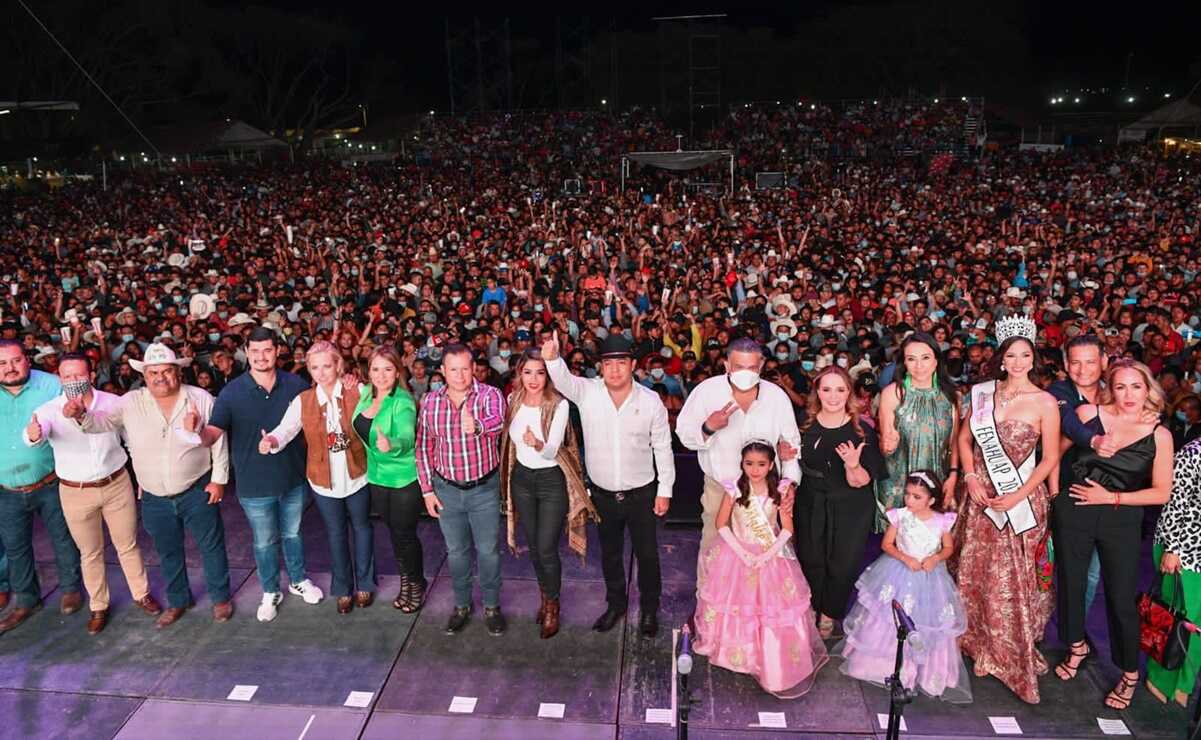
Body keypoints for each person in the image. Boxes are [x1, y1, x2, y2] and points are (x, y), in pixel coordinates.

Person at [68, 342, 232, 628]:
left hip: (196, 488)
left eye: (167, 371)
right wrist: (81, 415)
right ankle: (179, 601)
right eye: (153, 372)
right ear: (144, 376)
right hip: (154, 496)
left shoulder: (200, 398)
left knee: (211, 547)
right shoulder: (130, 402)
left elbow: (218, 439)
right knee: (168, 552)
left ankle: (220, 599)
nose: (160, 377)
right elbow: (101, 424)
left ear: (179, 372)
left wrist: (218, 480)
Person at [952, 317, 1061, 704]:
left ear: (1034, 359)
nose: (1017, 362)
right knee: (977, 570)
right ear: (1001, 359)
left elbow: (1048, 460)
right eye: (1011, 355)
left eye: (1025, 355)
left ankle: (1009, 651)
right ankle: (976, 640)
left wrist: (1019, 496)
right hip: (981, 496)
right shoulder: (982, 394)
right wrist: (969, 476)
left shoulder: (1045, 402)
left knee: (1013, 577)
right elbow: (965, 439)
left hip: (1020, 500)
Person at [1054, 360, 1173, 710]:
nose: (1128, 394)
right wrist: (1054, 497)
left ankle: (1129, 673)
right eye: (1120, 387)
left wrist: (1112, 498)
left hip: (1122, 517)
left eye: (1136, 386)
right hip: (1075, 510)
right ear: (1110, 389)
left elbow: (1161, 492)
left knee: (1121, 599)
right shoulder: (1089, 412)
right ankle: (1076, 646)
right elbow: (1059, 451)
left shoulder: (1159, 434)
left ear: (1148, 388)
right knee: (1071, 585)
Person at [543, 331, 675, 638]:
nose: (614, 369)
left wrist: (665, 490)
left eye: (621, 363)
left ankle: (649, 610)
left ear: (632, 365)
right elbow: (563, 380)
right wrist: (551, 357)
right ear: (601, 367)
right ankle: (616, 605)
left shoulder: (651, 400)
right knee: (610, 554)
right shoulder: (587, 392)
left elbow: (663, 448)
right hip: (601, 495)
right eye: (608, 363)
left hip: (642, 494)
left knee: (648, 555)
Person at [193, 326, 324, 622]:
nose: (261, 357)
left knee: (292, 534)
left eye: (267, 350)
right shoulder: (232, 391)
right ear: (246, 353)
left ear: (278, 350)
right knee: (264, 541)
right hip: (254, 484)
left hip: (292, 477)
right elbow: (213, 432)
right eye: (254, 351)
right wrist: (196, 433)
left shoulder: (296, 384)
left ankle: (298, 579)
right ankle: (269, 590)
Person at [24, 353, 162, 634]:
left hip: (115, 483)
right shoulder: (48, 410)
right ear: (60, 379)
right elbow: (36, 436)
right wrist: (34, 434)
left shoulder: (113, 403)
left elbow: (130, 441)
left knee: (128, 544)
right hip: (76, 491)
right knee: (90, 552)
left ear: (91, 375)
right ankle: (98, 605)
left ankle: (141, 594)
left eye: (78, 375)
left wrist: (143, 476)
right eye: (67, 376)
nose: (73, 381)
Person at [694, 441, 828, 698]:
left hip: (770, 555)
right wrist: (742, 552)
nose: (755, 470)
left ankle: (765, 655)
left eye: (761, 464)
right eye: (749, 464)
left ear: (770, 465)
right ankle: (739, 654)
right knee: (738, 605)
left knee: (769, 608)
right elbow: (722, 523)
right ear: (742, 464)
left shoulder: (779, 489)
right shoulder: (734, 488)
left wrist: (769, 553)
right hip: (736, 554)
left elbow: (787, 527)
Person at [835, 470, 971, 704]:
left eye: (917, 496)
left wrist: (936, 558)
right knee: (888, 618)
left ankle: (925, 671)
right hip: (899, 571)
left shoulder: (942, 521)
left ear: (931, 499)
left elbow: (948, 548)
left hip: (930, 577)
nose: (909, 500)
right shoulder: (900, 516)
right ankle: (884, 666)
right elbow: (887, 544)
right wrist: (905, 558)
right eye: (908, 494)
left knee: (928, 620)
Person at [676, 338, 801, 591]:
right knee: (713, 546)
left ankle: (752, 611)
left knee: (763, 553)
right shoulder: (706, 392)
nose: (745, 373)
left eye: (752, 367)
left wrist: (790, 485)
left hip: (764, 492)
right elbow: (684, 435)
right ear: (726, 364)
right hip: (720, 487)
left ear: (761, 366)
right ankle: (709, 605)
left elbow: (791, 447)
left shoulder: (776, 397)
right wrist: (708, 427)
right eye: (738, 366)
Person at [261, 341, 375, 615]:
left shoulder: (355, 389)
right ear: (309, 370)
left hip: (358, 474)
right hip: (323, 480)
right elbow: (286, 429)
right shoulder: (304, 401)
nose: (321, 372)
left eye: (327, 365)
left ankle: (366, 584)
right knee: (335, 534)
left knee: (362, 529)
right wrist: (272, 440)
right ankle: (343, 588)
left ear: (338, 365)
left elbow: (376, 415)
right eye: (315, 367)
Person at [498, 348, 597, 639]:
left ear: (548, 375)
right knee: (534, 546)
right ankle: (545, 595)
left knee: (545, 547)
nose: (533, 379)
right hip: (522, 480)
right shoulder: (512, 400)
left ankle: (552, 605)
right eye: (527, 372)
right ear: (519, 374)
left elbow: (554, 448)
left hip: (551, 480)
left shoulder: (559, 404)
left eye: (540, 372)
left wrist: (538, 443)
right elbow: (507, 439)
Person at [415, 343, 508, 636]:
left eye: (465, 368)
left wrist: (477, 426)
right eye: (452, 369)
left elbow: (499, 422)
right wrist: (427, 490)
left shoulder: (490, 395)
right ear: (442, 371)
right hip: (446, 490)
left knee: (489, 551)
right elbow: (424, 447)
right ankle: (462, 605)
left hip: (484, 489)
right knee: (456, 552)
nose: (459, 375)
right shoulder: (430, 401)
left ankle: (492, 606)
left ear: (474, 368)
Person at [792, 366, 887, 639]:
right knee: (811, 557)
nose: (833, 396)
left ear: (849, 393)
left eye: (840, 389)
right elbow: (790, 461)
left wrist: (853, 465)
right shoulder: (803, 425)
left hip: (851, 504)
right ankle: (812, 604)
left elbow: (862, 480)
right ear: (817, 392)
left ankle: (829, 613)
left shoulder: (861, 430)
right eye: (826, 389)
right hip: (811, 498)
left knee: (842, 563)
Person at [0, 340, 83, 632]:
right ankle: (26, 600)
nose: (10, 368)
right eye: (2, 363)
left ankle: (72, 588)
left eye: (15, 360)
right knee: (16, 547)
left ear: (27, 359)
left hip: (50, 481)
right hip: (6, 489)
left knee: (63, 538)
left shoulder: (51, 386)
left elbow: (78, 422)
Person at [351, 346, 425, 612]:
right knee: (394, 534)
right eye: (376, 369)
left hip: (403, 479)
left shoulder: (402, 401)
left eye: (388, 369)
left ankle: (416, 584)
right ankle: (407, 580)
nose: (381, 375)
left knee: (405, 535)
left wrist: (391, 443)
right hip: (377, 478)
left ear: (397, 373)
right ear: (368, 372)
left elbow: (407, 436)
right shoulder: (365, 396)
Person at [875, 333, 959, 529]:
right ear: (904, 363)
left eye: (925, 358)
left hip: (936, 481)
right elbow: (885, 446)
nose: (919, 366)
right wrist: (888, 444)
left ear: (936, 360)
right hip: (898, 485)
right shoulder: (893, 394)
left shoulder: (951, 396)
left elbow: (954, 441)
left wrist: (953, 475)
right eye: (911, 359)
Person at [1147, 437, 1201, 706]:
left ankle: (1185, 683)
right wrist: (1174, 549)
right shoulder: (1193, 453)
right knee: (1175, 618)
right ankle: (1160, 679)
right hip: (1183, 550)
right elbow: (1175, 504)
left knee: (1199, 625)